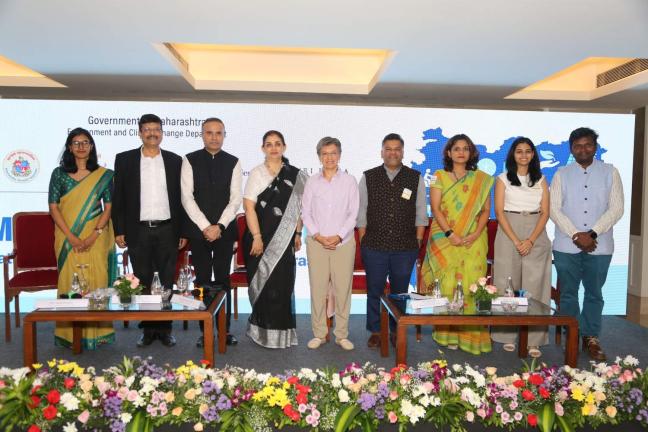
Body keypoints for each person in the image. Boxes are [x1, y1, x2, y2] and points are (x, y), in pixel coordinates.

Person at [112, 114, 187, 348]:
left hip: (168, 229)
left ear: (162, 133)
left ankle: (164, 329)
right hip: (138, 230)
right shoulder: (125, 160)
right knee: (143, 279)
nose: (152, 133)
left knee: (166, 279)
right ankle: (147, 329)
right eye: (147, 129)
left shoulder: (175, 161)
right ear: (140, 133)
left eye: (156, 129)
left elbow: (183, 199)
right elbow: (118, 197)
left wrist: (183, 230)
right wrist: (119, 229)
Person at [550, 127, 623, 361]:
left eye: (588, 144)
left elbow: (617, 208)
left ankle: (591, 337)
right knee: (568, 294)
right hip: (566, 245)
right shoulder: (561, 174)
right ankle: (572, 336)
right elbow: (553, 209)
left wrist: (591, 234)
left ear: (595, 147)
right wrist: (575, 234)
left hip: (600, 245)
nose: (583, 149)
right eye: (578, 146)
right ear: (571, 149)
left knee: (594, 293)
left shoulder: (610, 172)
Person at [420, 134, 493, 355]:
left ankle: (471, 337)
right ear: (449, 153)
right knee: (448, 285)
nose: (461, 152)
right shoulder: (438, 176)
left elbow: (485, 211)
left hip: (474, 240)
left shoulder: (481, 179)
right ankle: (448, 335)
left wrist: (476, 233)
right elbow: (436, 208)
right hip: (445, 238)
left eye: (465, 149)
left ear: (471, 153)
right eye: (457, 148)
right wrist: (450, 233)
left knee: (472, 284)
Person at [358, 133, 428, 348]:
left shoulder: (414, 177)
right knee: (375, 291)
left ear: (402, 152)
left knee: (400, 293)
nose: (392, 153)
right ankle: (376, 331)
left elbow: (421, 212)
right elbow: (361, 211)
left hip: (405, 247)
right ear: (382, 152)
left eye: (397, 149)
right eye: (388, 149)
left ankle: (397, 330)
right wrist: (363, 239)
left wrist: (418, 240)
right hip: (374, 245)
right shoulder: (368, 176)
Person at [49, 127, 117, 350]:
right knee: (70, 281)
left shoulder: (104, 175)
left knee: (97, 280)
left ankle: (98, 333)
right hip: (66, 236)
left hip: (95, 236)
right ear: (69, 147)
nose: (81, 146)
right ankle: (69, 335)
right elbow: (53, 207)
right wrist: (71, 237)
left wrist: (93, 235)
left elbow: (109, 207)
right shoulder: (58, 174)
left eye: (85, 142)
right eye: (76, 143)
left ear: (91, 147)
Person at [243, 130, 307, 348]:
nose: (273, 148)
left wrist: (297, 233)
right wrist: (256, 237)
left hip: (285, 240)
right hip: (259, 239)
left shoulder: (296, 175)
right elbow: (248, 207)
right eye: (269, 144)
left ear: (284, 147)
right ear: (263, 148)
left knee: (283, 285)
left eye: (277, 143)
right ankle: (260, 333)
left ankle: (282, 335)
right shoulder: (257, 173)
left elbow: (299, 210)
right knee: (263, 286)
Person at [181, 117, 242, 347]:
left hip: (224, 231)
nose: (214, 137)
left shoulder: (234, 162)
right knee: (202, 281)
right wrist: (205, 226)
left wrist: (220, 226)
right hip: (199, 232)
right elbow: (187, 197)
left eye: (219, 133)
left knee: (223, 279)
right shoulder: (189, 160)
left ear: (224, 135)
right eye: (209, 132)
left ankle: (224, 331)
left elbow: (235, 199)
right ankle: (204, 330)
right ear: (202, 134)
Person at [491, 137, 551, 358]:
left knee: (536, 285)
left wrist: (531, 240)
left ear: (533, 154)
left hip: (536, 231)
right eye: (519, 151)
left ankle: (534, 339)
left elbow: (545, 212)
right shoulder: (502, 179)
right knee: (507, 283)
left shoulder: (541, 179)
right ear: (512, 155)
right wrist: (517, 241)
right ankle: (506, 335)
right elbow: (499, 212)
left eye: (528, 151)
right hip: (509, 231)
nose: (523, 155)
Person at [302, 137, 359, 351]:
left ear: (340, 155)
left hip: (343, 244)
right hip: (316, 243)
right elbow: (306, 212)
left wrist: (339, 236)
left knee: (342, 290)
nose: (329, 158)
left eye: (333, 153)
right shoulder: (311, 182)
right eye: (325, 154)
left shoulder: (350, 181)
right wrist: (318, 236)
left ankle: (341, 334)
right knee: (318, 290)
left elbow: (353, 213)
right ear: (319, 157)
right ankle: (319, 333)